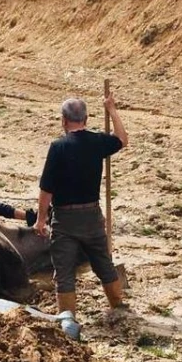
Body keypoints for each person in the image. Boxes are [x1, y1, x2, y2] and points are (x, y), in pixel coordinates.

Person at [34, 89, 129, 320]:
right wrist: (112, 110)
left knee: (65, 272)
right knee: (104, 263)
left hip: (65, 220)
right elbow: (122, 140)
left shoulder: (58, 147)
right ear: (85, 119)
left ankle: (68, 321)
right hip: (92, 215)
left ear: (63, 120)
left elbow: (47, 189)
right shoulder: (97, 142)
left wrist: (40, 220)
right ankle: (118, 306)